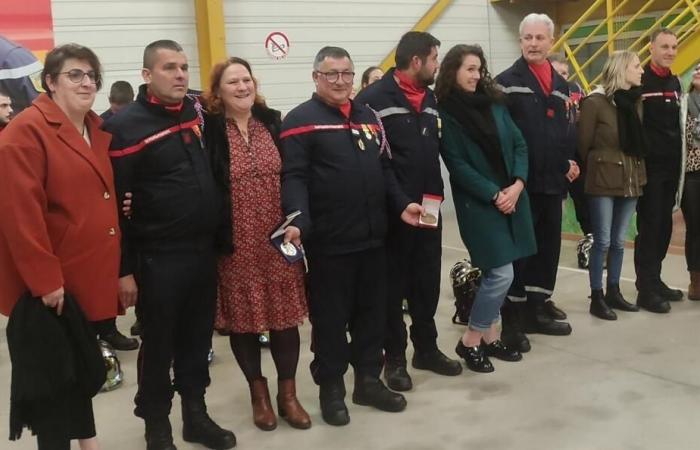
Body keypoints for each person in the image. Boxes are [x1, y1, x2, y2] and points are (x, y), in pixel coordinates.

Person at [103, 40, 235, 450]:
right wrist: (124, 269)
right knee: (159, 344)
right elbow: (114, 208)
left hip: (201, 251)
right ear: (147, 75)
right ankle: (156, 426)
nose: (180, 75)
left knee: (198, 340)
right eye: (169, 68)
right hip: (158, 257)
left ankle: (195, 415)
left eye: (183, 67)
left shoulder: (198, 111)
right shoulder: (123, 128)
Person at [281, 46, 423, 426]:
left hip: (375, 239)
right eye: (332, 74)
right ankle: (332, 391)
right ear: (316, 78)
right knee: (329, 323)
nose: (341, 81)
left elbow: (386, 170)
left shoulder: (369, 117)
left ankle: (367, 382)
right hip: (329, 244)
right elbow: (293, 177)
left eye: (346, 73)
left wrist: (401, 205)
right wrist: (297, 219)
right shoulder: (299, 121)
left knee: (371, 318)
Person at [0, 43, 122, 450]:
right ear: (50, 81)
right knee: (54, 383)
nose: (86, 82)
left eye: (92, 75)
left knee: (80, 369)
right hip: (49, 287)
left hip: (85, 275)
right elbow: (20, 217)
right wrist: (45, 281)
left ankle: (88, 442)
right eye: (75, 74)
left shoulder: (93, 126)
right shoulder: (25, 133)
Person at [201, 56, 310, 431]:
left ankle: (288, 395)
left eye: (246, 79)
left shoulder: (272, 121)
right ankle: (258, 396)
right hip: (234, 242)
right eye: (232, 82)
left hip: (278, 238)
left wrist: (298, 218)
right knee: (243, 322)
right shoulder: (209, 130)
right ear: (217, 91)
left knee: (284, 320)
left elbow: (294, 175)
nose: (242, 87)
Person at [355, 31, 462, 392]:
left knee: (427, 281)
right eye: (434, 58)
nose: (437, 65)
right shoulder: (371, 101)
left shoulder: (430, 98)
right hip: (395, 211)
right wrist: (400, 201)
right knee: (393, 286)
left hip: (429, 208)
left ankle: (427, 349)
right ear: (416, 61)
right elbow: (374, 162)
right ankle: (396, 358)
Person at [436, 44, 535, 372]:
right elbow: (458, 165)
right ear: (453, 71)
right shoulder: (446, 112)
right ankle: (471, 340)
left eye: (479, 69)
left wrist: (518, 185)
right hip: (480, 202)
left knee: (502, 272)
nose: (476, 75)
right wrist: (496, 195)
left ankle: (491, 337)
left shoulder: (495, 103)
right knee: (500, 272)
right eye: (469, 69)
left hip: (512, 195)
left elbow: (519, 143)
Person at [496, 13, 578, 350]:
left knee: (548, 249)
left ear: (551, 41)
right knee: (520, 253)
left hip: (552, 181)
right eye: (527, 38)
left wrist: (568, 161)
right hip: (521, 185)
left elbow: (561, 132)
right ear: (520, 42)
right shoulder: (505, 82)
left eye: (539, 38)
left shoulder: (562, 87)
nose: (533, 43)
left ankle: (536, 309)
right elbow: (502, 136)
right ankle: (512, 320)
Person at [578, 50, 646, 320]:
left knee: (619, 241)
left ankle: (614, 291)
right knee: (603, 240)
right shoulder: (595, 102)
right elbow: (583, 146)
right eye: (637, 66)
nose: (642, 70)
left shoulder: (635, 102)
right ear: (622, 69)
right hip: (603, 180)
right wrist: (603, 163)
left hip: (631, 179)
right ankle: (597, 296)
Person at [634, 28, 685, 312]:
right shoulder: (640, 80)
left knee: (665, 226)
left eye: (674, 47)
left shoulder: (676, 82)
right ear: (651, 47)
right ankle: (645, 288)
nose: (670, 52)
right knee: (650, 226)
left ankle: (656, 279)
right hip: (649, 170)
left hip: (671, 169)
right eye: (664, 46)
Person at [549, 53, 594, 271]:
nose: (562, 77)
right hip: (555, 160)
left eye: (565, 73)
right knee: (556, 208)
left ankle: (591, 247)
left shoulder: (576, 89)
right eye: (558, 72)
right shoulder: (545, 94)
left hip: (577, 156)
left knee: (584, 204)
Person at [681, 63, 700, 300]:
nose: (698, 73)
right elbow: (684, 133)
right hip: (691, 172)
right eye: (696, 70)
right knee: (695, 228)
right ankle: (695, 280)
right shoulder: (683, 102)